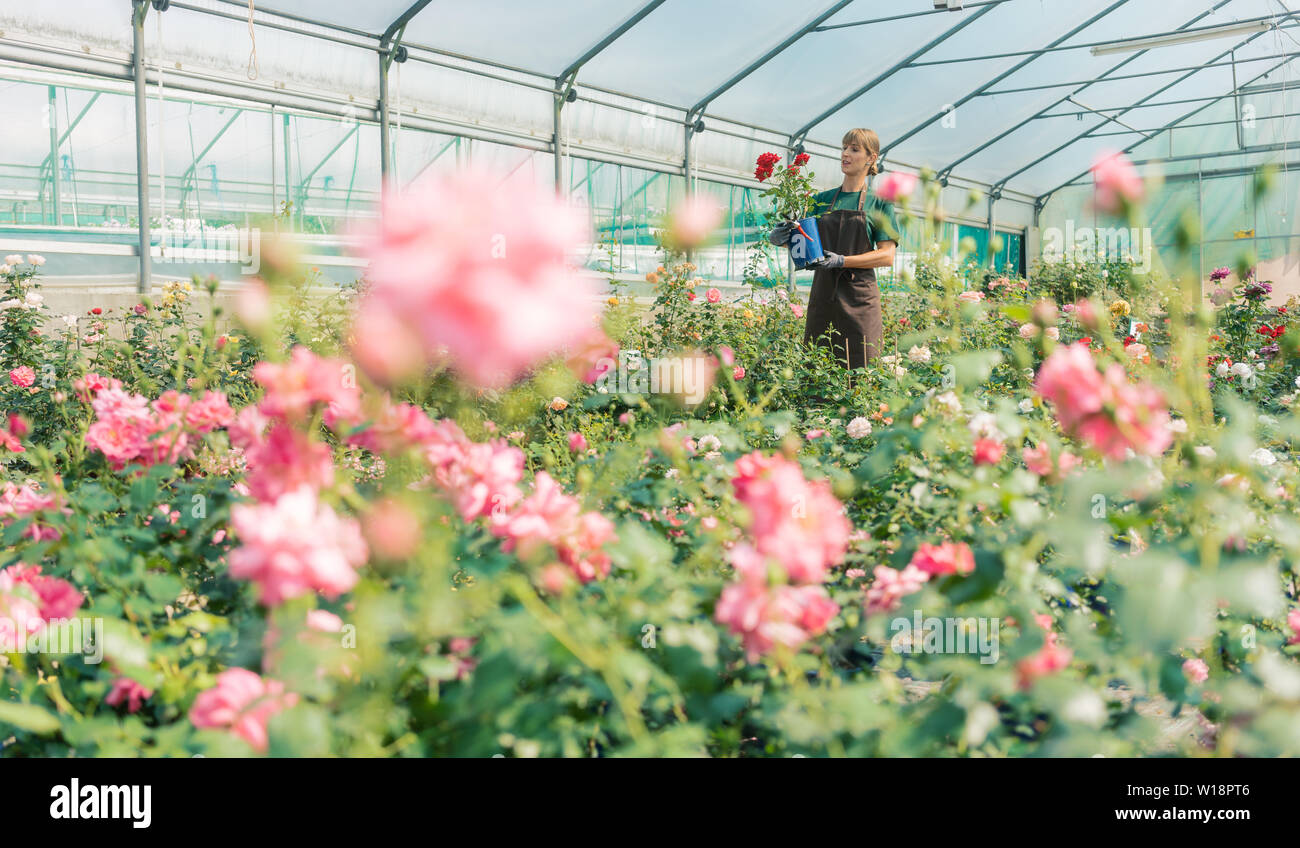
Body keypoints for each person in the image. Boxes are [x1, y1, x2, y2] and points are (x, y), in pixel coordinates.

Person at [771, 128, 901, 370]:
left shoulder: (879, 203)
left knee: (862, 366)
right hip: (824, 295)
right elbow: (806, 250)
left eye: (854, 149)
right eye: (843, 148)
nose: (845, 154)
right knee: (818, 368)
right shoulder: (820, 200)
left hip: (860, 298)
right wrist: (783, 239)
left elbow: (887, 255)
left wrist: (843, 260)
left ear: (871, 158)